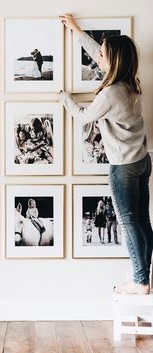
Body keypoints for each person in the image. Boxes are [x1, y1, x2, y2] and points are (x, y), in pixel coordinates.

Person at [59, 14, 153, 294]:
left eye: (103, 55)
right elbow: (97, 52)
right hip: (142, 161)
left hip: (123, 166)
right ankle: (144, 277)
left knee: (128, 222)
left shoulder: (110, 94)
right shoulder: (130, 83)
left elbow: (83, 116)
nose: (98, 57)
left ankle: (140, 282)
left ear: (113, 60)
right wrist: (76, 30)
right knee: (142, 220)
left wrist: (64, 97)